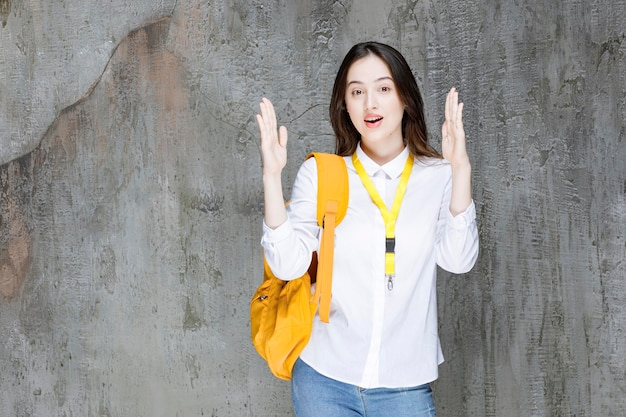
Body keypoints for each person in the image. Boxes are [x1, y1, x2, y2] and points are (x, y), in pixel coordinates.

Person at [256, 41, 479, 417]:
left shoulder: (438, 177)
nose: (370, 104)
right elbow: (288, 266)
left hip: (403, 386)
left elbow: (458, 260)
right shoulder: (323, 173)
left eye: (383, 88)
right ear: (345, 104)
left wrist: (461, 170)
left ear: (405, 97)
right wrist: (271, 178)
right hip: (324, 378)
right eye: (357, 92)